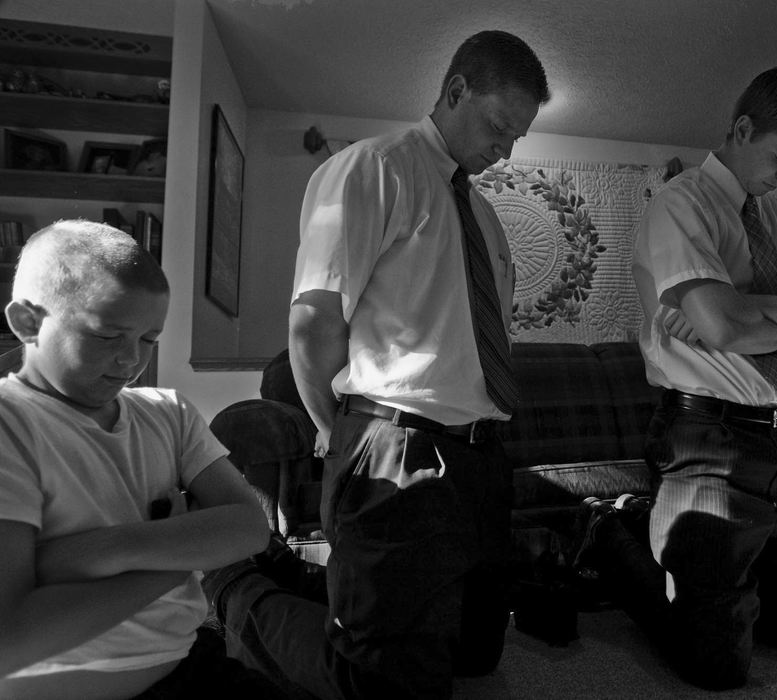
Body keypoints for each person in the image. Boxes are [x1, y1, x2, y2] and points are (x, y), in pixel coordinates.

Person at [205, 30, 550, 699]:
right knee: (382, 684)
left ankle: (309, 581)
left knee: (475, 658)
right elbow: (313, 326)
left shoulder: (483, 214)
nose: (506, 150)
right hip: (395, 446)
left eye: (518, 138)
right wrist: (343, 441)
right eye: (500, 127)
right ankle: (229, 582)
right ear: (455, 91)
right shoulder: (373, 169)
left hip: (481, 461)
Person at [629, 64, 777, 689]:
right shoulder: (681, 205)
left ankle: (723, 575)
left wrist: (737, 315)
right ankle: (618, 543)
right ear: (743, 128)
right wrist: (772, 314)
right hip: (707, 440)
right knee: (716, 666)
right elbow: (727, 327)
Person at [0, 220, 278, 699]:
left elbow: (249, 528)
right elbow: (12, 640)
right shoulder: (12, 423)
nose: (132, 360)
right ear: (28, 322)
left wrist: (105, 551)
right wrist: (176, 560)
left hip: (190, 668)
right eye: (108, 336)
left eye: (149, 339)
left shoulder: (168, 413)